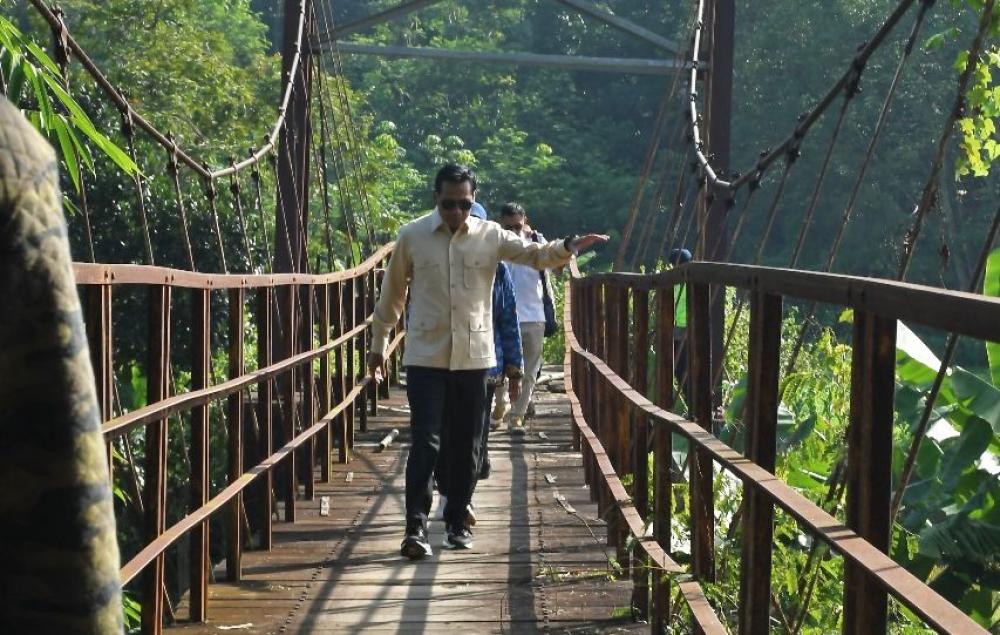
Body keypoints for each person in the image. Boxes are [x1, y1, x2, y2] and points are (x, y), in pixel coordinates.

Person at [368, 164, 608, 559]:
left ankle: (458, 520)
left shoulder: (491, 236)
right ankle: (415, 527)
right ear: (436, 198)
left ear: (473, 200)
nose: (457, 213)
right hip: (427, 356)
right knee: (426, 442)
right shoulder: (412, 236)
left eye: (465, 205)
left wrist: (569, 247)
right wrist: (379, 343)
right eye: (449, 204)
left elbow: (536, 256)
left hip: (475, 358)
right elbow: (392, 294)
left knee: (468, 445)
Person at [434, 203, 523, 524]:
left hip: (485, 366)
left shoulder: (499, 271)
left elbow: (508, 319)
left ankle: (461, 501)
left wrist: (514, 370)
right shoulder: (438, 265)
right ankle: (449, 493)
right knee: (446, 433)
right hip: (443, 364)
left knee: (475, 437)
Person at [499, 202, 554, 434]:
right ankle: (500, 407)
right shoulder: (495, 245)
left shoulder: (537, 245)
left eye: (517, 226)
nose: (514, 232)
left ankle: (516, 416)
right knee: (499, 369)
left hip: (534, 315)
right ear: (501, 225)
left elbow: (558, 265)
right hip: (503, 316)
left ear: (526, 222)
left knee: (530, 371)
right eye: (508, 228)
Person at [668, 248, 692, 409]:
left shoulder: (675, 281)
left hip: (683, 330)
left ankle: (692, 404)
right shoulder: (686, 280)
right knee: (683, 369)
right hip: (684, 329)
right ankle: (692, 404)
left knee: (681, 369)